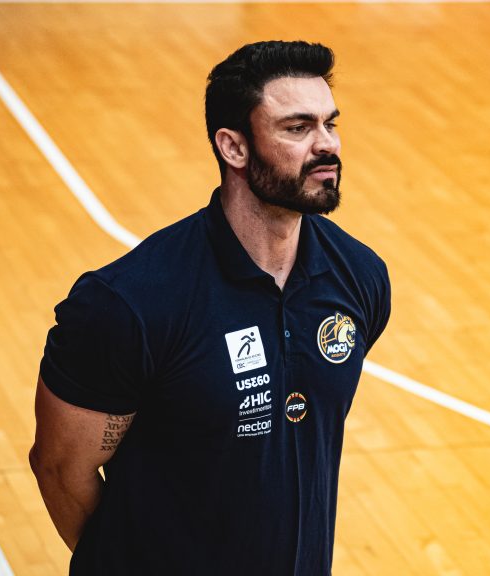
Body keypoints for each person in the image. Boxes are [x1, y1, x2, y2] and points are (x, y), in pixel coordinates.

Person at [29, 40, 391, 575]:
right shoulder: (130, 304)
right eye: (297, 128)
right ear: (234, 148)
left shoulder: (358, 277)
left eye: (329, 124)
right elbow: (60, 468)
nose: (326, 145)